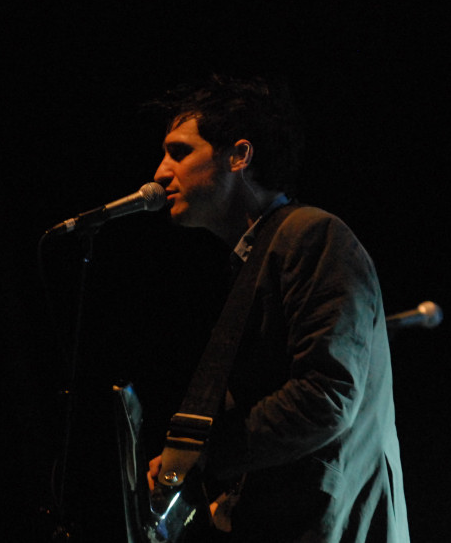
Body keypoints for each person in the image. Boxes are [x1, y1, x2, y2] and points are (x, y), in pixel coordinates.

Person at [142, 74, 410, 543]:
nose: (160, 173)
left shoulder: (314, 236)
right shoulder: (265, 251)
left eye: (179, 152)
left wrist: (206, 452)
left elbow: (327, 397)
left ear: (239, 156)